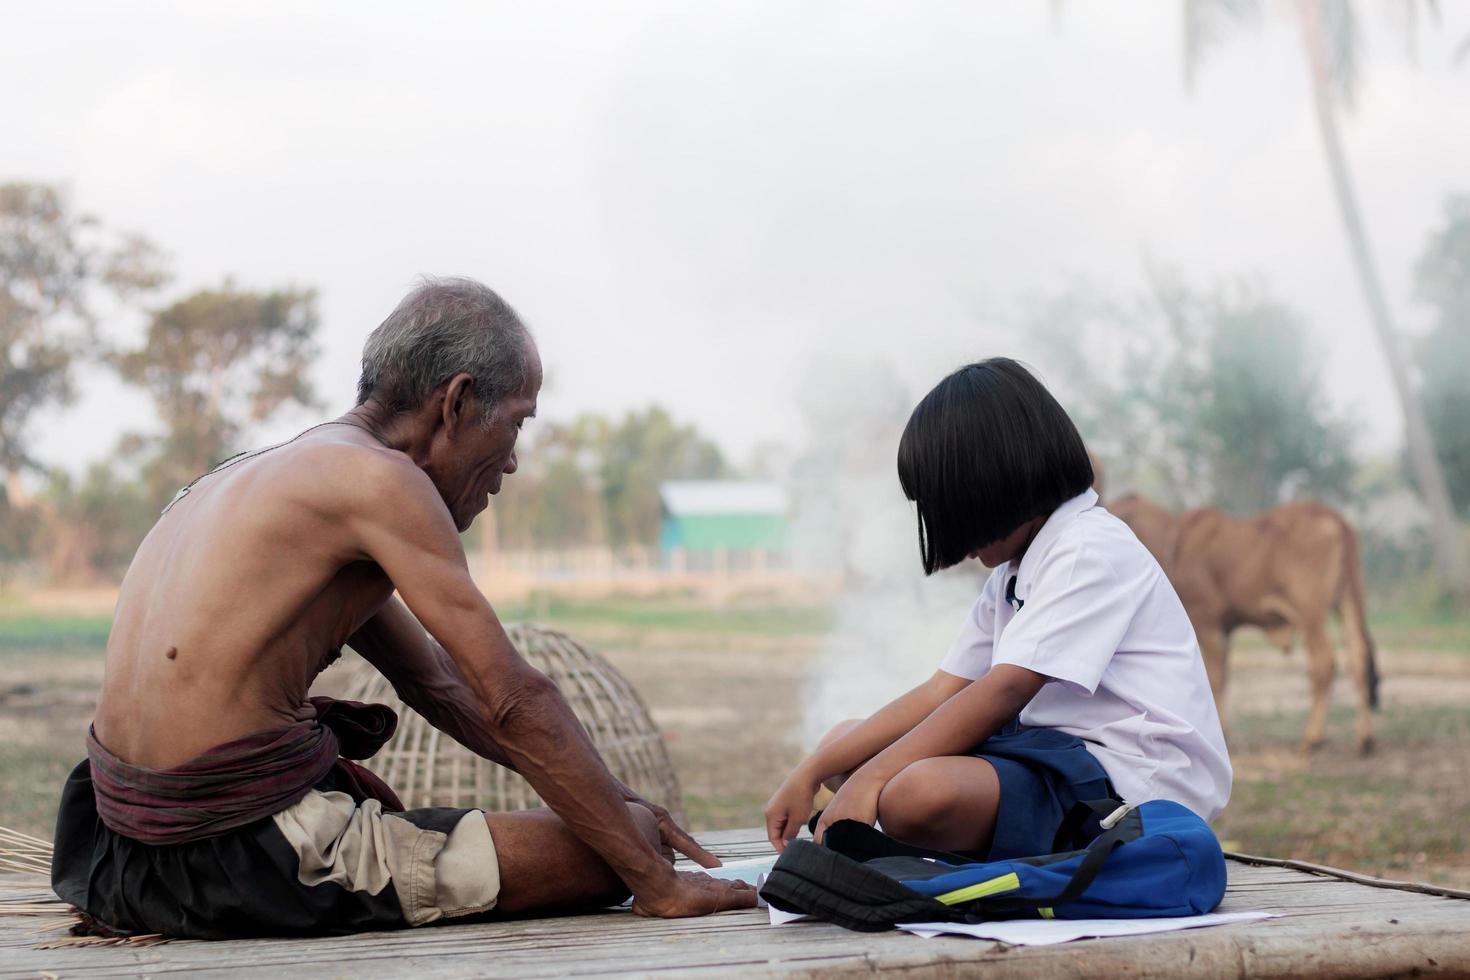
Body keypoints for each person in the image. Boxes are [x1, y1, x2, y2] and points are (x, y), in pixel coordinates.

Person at [51, 276, 756, 939]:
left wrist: (624, 804)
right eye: (516, 423)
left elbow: (439, 686)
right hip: (241, 857)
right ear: (455, 402)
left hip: (119, 855)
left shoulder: (267, 474)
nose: (512, 462)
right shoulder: (381, 481)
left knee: (620, 828)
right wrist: (653, 882)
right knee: (605, 856)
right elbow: (511, 697)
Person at [764, 358, 1232, 860]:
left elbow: (1007, 688)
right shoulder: (1013, 571)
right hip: (1053, 757)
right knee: (843, 745)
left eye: (950, 509)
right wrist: (810, 771)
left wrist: (874, 777)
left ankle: (994, 842)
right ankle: (977, 834)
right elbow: (943, 689)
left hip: (1132, 783)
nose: (947, 534)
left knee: (909, 794)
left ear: (997, 485)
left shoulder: (1087, 549)